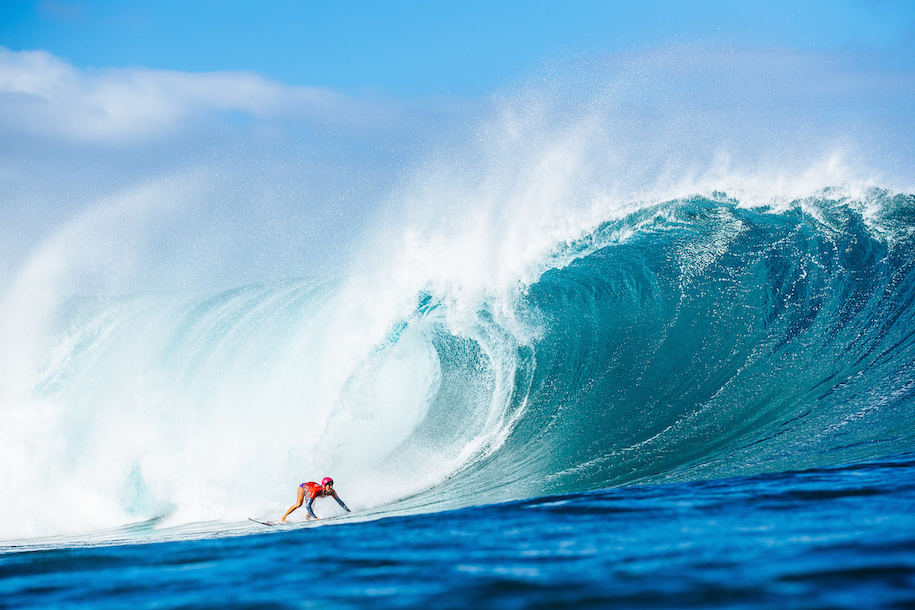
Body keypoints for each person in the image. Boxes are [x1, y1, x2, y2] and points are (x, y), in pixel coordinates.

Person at [281, 477, 352, 523]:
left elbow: (340, 502)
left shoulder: (332, 492)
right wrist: (316, 517)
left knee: (312, 508)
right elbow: (307, 506)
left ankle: (306, 519)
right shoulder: (316, 491)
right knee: (299, 504)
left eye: (331, 485)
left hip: (310, 490)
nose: (330, 487)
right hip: (303, 488)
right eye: (329, 485)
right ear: (324, 485)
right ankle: (283, 517)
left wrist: (349, 511)